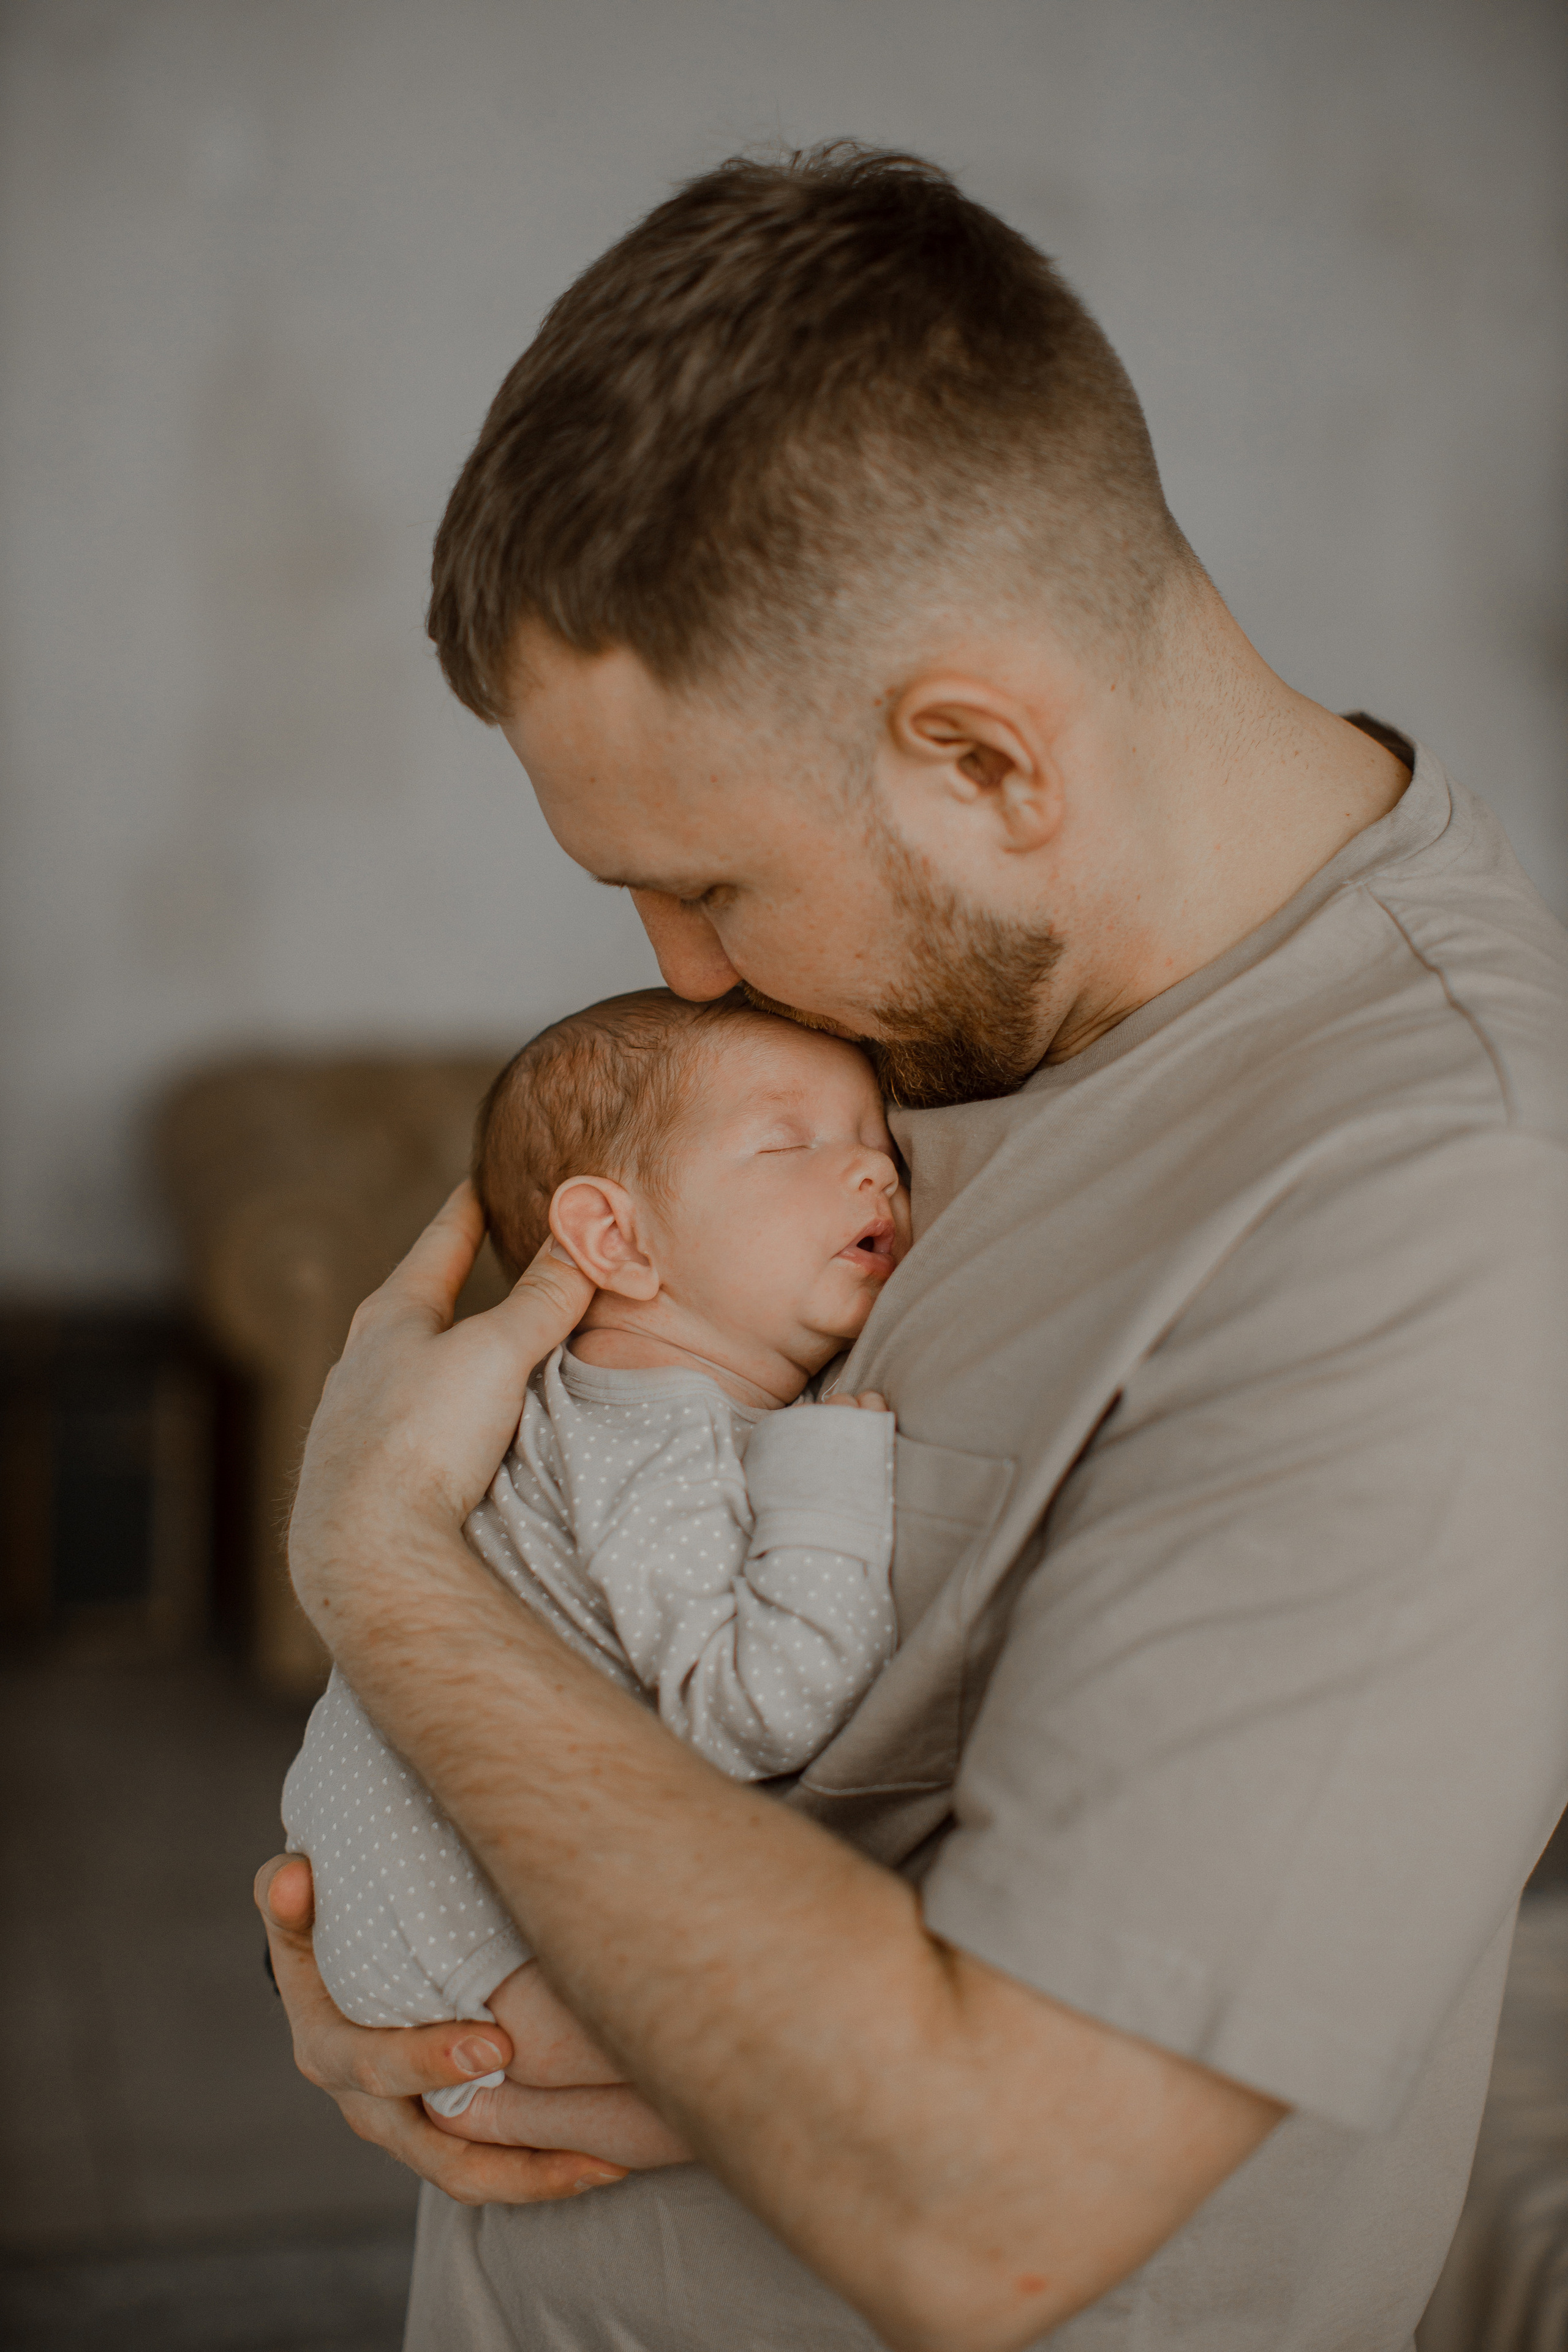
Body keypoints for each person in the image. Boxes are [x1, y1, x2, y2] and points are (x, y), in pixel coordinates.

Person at [257, 145, 1568, 2351]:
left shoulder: (1440, 1215)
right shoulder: (925, 1000)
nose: (676, 980)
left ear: (982, 757)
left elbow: (995, 2203)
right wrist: (405, 1962)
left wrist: (374, 1569)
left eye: (710, 886)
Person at [279, 989, 906, 2162]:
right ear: (617, 1241)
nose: (873, 1175)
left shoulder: (622, 1409)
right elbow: (755, 1710)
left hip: (403, 1899)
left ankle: (495, 2106)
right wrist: (829, 1473)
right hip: (466, 1918)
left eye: (881, 1142)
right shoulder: (650, 1435)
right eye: (792, 1144)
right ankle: (495, 2098)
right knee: (832, 2098)